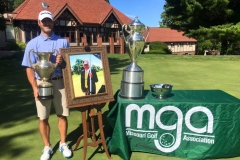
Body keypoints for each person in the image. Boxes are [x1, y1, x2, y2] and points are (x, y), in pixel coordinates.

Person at [21, 10, 72, 160]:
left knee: (62, 115)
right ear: (39, 23)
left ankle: (63, 144)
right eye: (44, 21)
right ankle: (47, 147)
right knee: (43, 117)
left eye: (49, 20)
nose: (47, 23)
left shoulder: (63, 42)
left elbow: (70, 65)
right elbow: (28, 68)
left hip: (60, 82)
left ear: (53, 22)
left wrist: (63, 62)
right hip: (41, 82)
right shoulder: (32, 43)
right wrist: (35, 88)